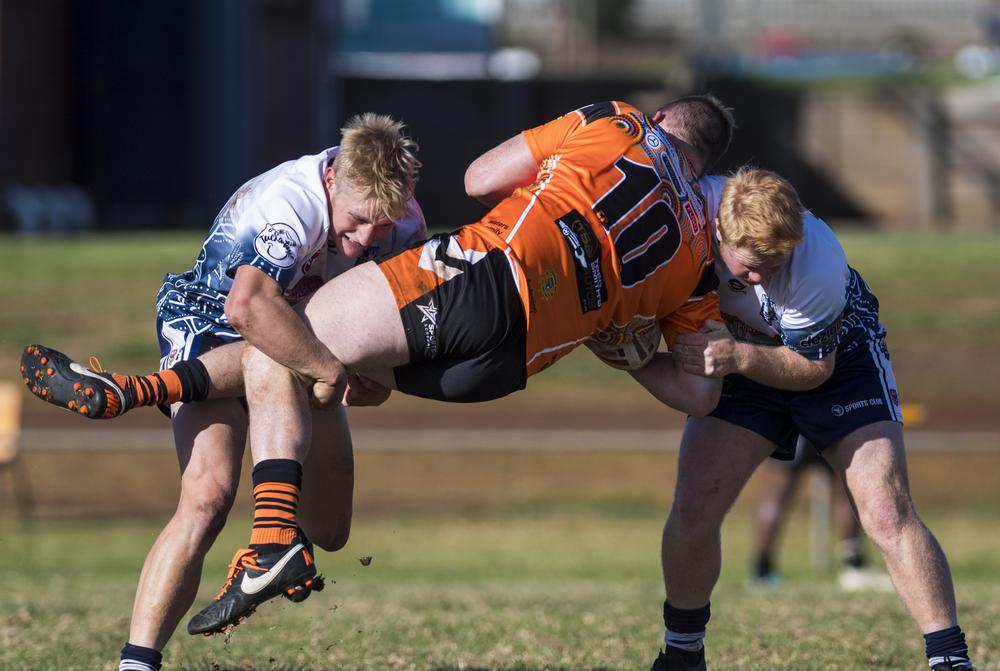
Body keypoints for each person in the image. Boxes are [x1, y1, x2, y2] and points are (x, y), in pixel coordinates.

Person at [24, 95, 735, 637]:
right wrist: (625, 351)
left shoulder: (613, 120)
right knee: (284, 390)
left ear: (661, 117)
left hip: (488, 275)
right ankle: (144, 415)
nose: (365, 239)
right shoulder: (700, 250)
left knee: (289, 342)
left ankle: (211, 477)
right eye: (358, 225)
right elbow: (701, 396)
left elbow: (483, 175)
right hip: (508, 364)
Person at [22, 113, 426, 671]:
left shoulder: (405, 225)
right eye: (359, 218)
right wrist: (334, 371)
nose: (370, 237)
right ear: (334, 180)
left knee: (331, 529)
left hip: (297, 339)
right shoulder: (289, 203)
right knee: (207, 495)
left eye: (384, 222)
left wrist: (372, 376)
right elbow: (248, 309)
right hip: (210, 324)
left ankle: (141, 397)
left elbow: (396, 337)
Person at [616, 168, 987, 671]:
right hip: (744, 354)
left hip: (835, 359)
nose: (761, 280)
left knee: (886, 508)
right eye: (750, 266)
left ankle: (954, 668)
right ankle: (681, 658)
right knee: (694, 508)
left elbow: (814, 368)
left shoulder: (819, 262)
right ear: (720, 232)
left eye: (774, 265)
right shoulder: (686, 215)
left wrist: (738, 358)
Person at [751, 434, 893, 591]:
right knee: (846, 493)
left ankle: (762, 572)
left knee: (774, 498)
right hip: (827, 423)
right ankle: (853, 565)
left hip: (790, 428)